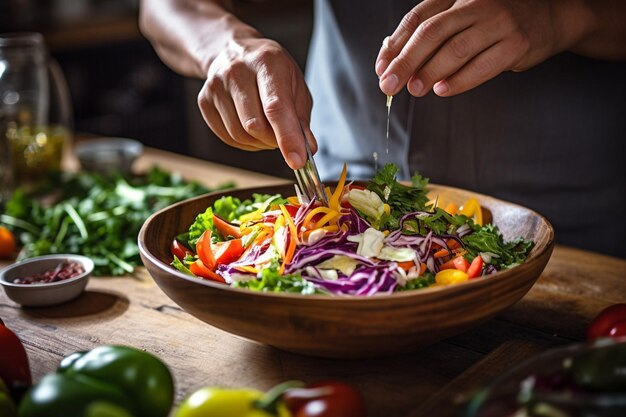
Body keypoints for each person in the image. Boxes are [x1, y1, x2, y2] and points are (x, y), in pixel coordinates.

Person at [139, 0, 626, 258]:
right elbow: (163, 5)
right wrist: (224, 45)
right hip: (333, 193)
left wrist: (565, 14)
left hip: (572, 224)